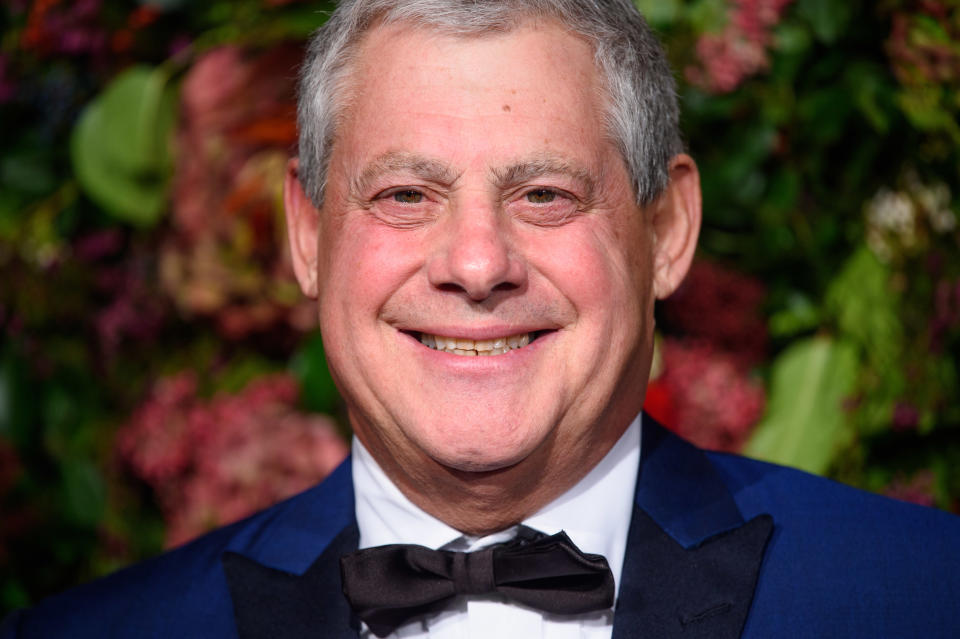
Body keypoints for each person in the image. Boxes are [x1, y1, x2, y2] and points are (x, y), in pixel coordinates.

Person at [3, 1, 959, 637]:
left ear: (666, 230)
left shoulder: (922, 597)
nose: (474, 264)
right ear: (306, 234)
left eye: (544, 193)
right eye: (406, 194)